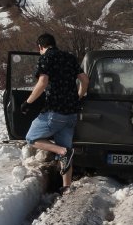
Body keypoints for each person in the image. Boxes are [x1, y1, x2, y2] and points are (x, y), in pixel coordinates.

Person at [21, 33, 88, 192]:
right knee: (66, 152)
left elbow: (42, 82)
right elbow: (85, 80)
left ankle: (62, 151)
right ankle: (66, 187)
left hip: (54, 111)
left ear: (40, 47)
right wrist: (78, 96)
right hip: (71, 112)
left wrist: (28, 102)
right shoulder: (69, 57)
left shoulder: (45, 58)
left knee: (31, 137)